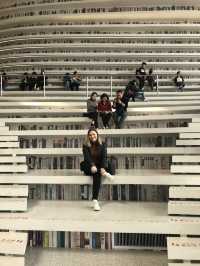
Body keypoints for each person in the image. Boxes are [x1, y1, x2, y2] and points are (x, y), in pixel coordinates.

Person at [81, 128, 113, 211]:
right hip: (89, 165)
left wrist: (102, 167)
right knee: (94, 171)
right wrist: (92, 165)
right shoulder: (85, 145)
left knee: (97, 173)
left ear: (97, 135)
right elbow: (87, 157)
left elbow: (104, 157)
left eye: (94, 134)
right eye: (90, 135)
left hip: (99, 165)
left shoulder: (103, 144)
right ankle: (95, 201)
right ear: (88, 136)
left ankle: (95, 200)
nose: (92, 136)